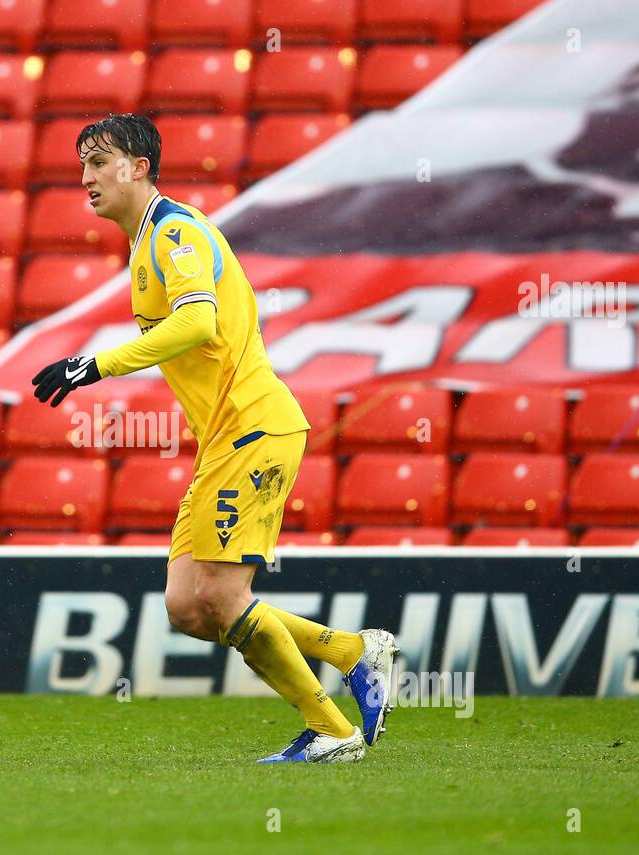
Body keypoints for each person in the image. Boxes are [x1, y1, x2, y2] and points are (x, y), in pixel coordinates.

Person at [31, 113, 398, 764]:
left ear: (139, 167)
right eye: (81, 164)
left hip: (254, 425)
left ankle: (333, 731)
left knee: (225, 599)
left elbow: (198, 322)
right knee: (188, 608)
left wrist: (96, 364)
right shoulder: (145, 242)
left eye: (99, 161)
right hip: (225, 439)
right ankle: (353, 653)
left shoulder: (176, 233)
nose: (85, 178)